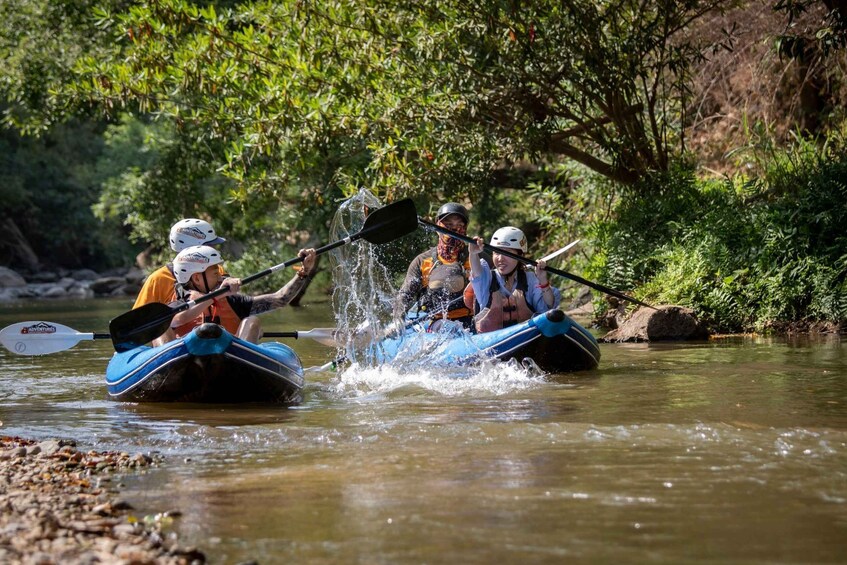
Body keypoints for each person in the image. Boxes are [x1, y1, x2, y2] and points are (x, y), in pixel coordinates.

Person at [169, 244, 317, 343]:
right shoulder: (179, 302)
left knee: (252, 321)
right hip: (189, 366)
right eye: (215, 273)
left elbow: (281, 299)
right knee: (162, 330)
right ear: (196, 278)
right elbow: (178, 320)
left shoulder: (233, 301)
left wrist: (304, 272)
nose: (221, 277)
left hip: (231, 363)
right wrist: (217, 295)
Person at [132, 219, 228, 346]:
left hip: (216, 341)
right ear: (192, 248)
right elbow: (138, 323)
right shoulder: (158, 279)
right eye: (209, 246)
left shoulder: (218, 271)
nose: (213, 250)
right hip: (178, 348)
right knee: (161, 329)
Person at [395, 202, 475, 329]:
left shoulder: (476, 256)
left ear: (465, 229)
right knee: (447, 327)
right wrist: (398, 319)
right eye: (448, 225)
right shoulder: (422, 261)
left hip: (472, 320)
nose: (454, 229)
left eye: (459, 225)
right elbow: (405, 295)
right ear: (438, 228)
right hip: (437, 323)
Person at [467, 226, 561, 333]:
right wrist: (473, 253)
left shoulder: (529, 279)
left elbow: (548, 307)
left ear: (519, 255)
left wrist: (543, 279)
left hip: (525, 338)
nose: (500, 259)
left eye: (507, 252)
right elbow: (476, 272)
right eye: (497, 253)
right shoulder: (486, 279)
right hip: (491, 344)